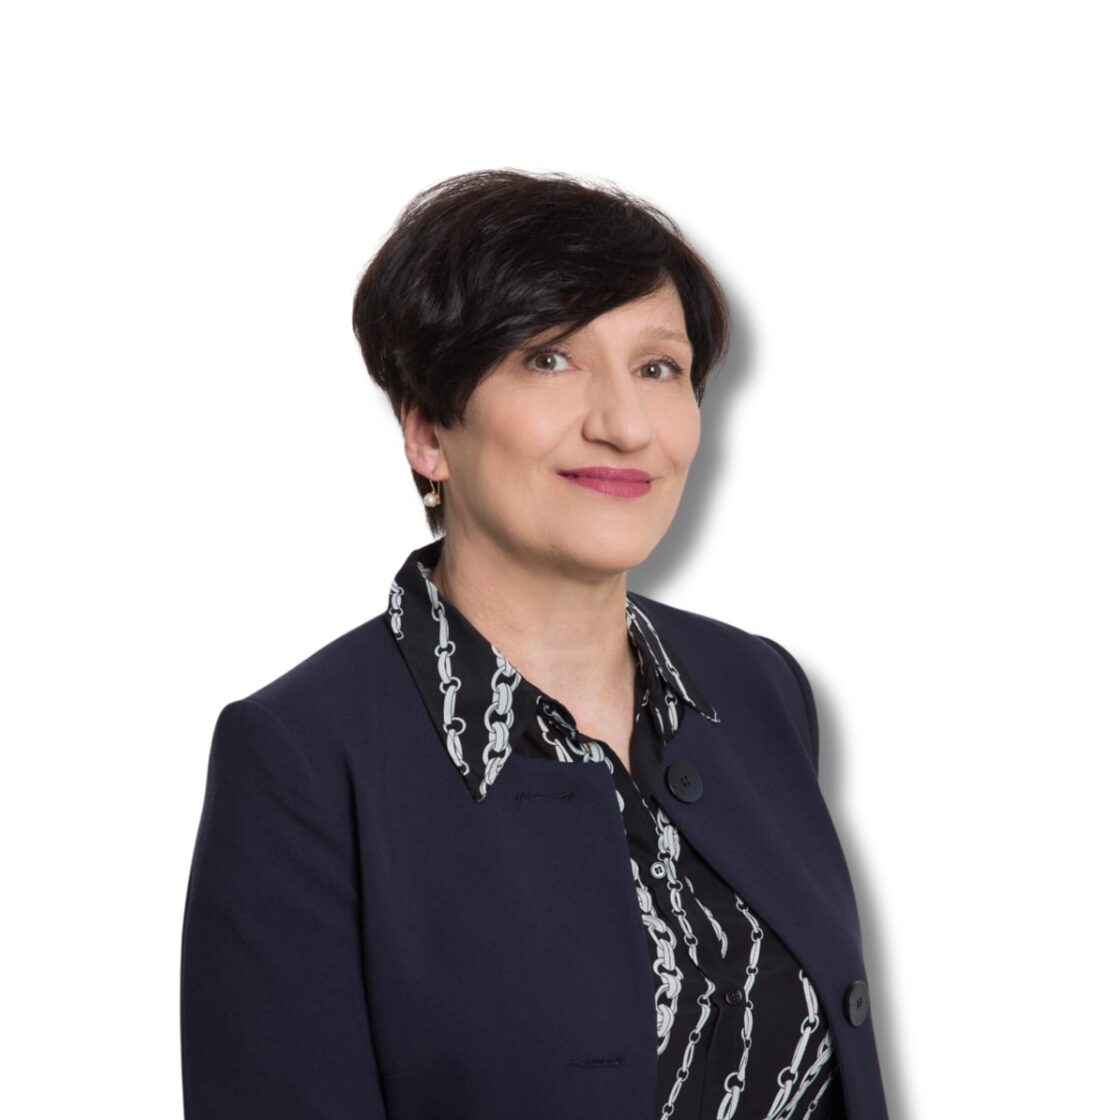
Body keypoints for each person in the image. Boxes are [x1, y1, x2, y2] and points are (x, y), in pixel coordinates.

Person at [180, 168, 890, 1119]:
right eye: (550, 359)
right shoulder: (304, 758)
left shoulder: (756, 688)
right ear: (428, 430)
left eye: (658, 368)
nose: (625, 425)